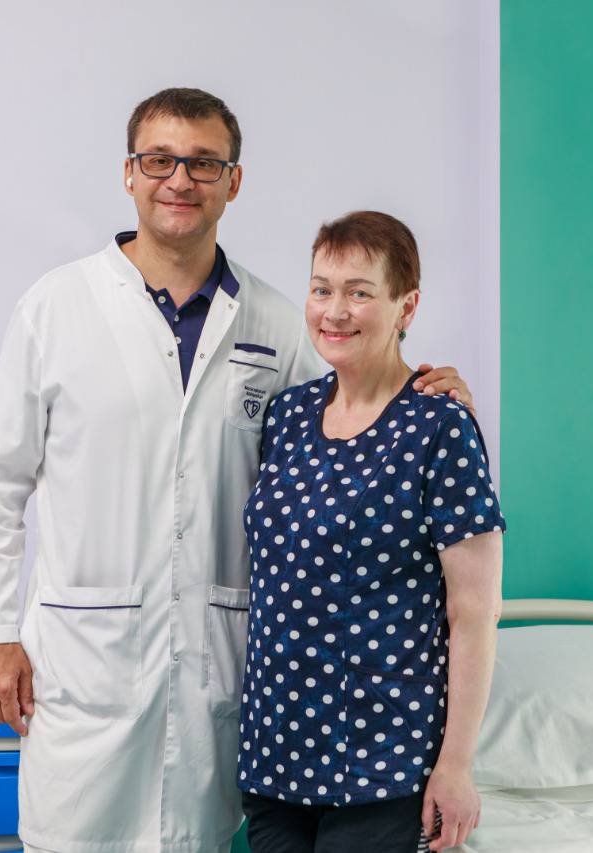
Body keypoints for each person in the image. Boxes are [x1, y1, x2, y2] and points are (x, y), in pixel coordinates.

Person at [0, 89, 473, 853]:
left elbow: (353, 414)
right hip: (83, 653)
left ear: (234, 182)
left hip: (217, 659)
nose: (180, 179)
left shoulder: (275, 321)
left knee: (197, 835)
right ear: (128, 173)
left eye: (204, 163)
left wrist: (427, 388)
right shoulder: (55, 307)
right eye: (159, 160)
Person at [236, 211, 505, 852]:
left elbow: (473, 613)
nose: (335, 311)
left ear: (406, 306)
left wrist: (456, 766)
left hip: (381, 758)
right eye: (322, 289)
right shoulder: (288, 415)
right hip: (276, 750)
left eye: (360, 292)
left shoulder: (439, 425)